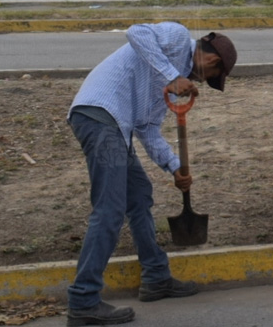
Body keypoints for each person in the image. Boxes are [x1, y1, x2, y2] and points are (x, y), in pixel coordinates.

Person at [65, 23, 236, 326]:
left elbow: (147, 128)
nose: (204, 81)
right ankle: (83, 301)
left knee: (139, 195)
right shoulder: (177, 38)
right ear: (211, 61)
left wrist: (175, 167)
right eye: (212, 77)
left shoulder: (169, 87)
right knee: (110, 210)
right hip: (100, 117)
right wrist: (172, 76)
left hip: (117, 127)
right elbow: (136, 32)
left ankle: (156, 276)